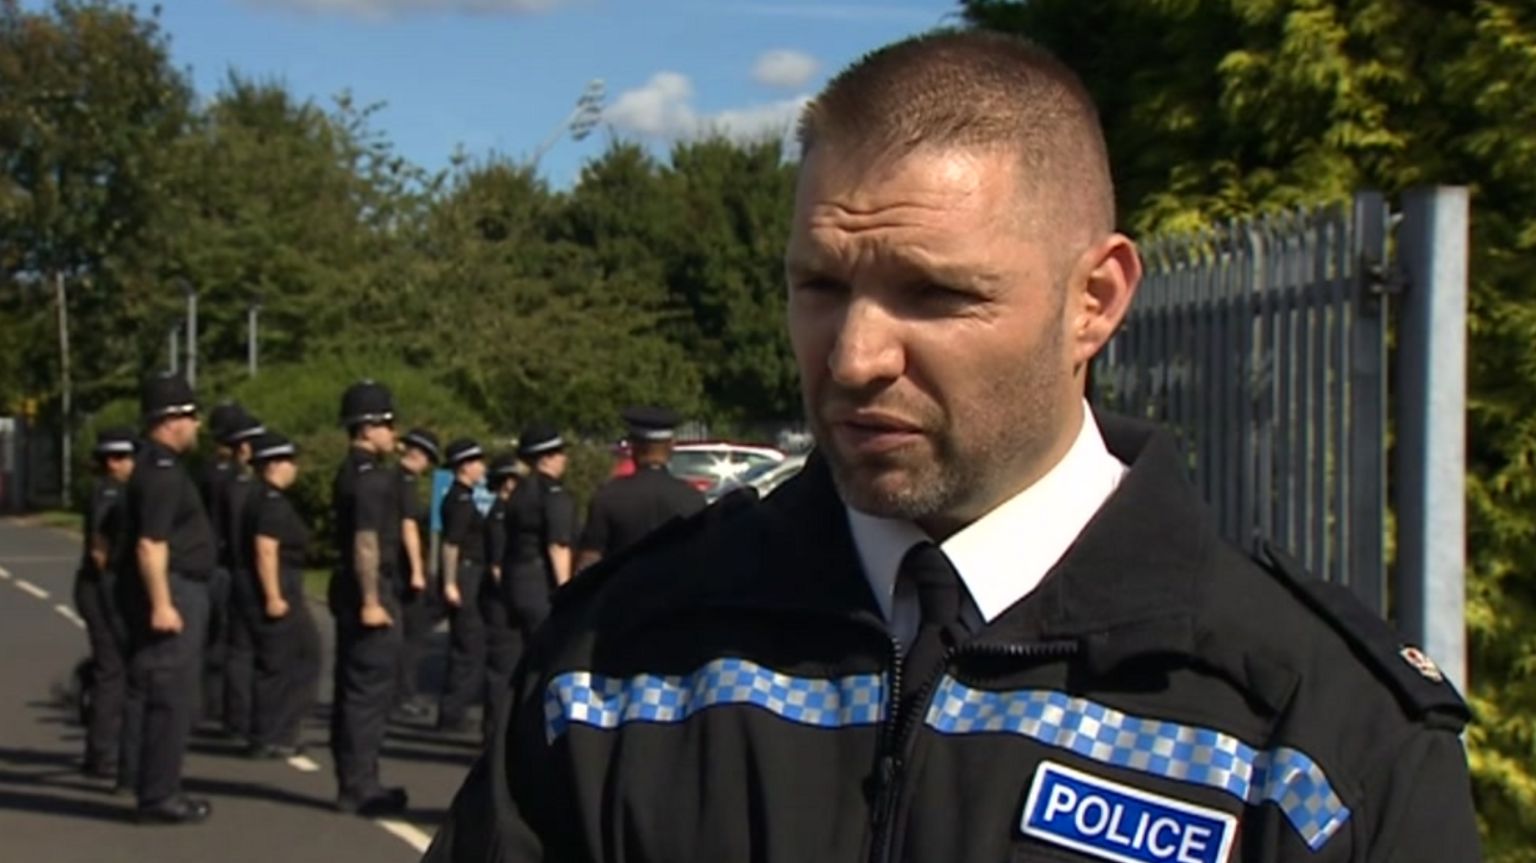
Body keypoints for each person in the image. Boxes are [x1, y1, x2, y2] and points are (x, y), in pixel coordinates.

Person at [425, 31, 1480, 863]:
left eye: (936, 293)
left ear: (1095, 300)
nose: (852, 357)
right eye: (820, 285)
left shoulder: (1303, 731)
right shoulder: (624, 661)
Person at [118, 374, 215, 825]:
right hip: (174, 589)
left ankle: (147, 782)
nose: (196, 425)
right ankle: (159, 794)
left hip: (178, 586)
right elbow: (150, 545)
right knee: (169, 696)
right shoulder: (161, 473)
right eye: (191, 416)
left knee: (157, 690)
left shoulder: (156, 468)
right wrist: (162, 603)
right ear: (171, 420)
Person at [328, 380, 408, 815]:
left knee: (355, 690)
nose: (394, 433)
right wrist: (372, 599)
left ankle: (355, 779)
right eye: (389, 424)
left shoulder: (350, 472)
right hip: (370, 591)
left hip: (351, 588)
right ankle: (361, 785)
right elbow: (366, 542)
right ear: (369, 427)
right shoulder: (371, 481)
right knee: (368, 693)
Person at [242, 431, 321, 759]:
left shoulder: (262, 497)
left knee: (302, 654)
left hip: (284, 582)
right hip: (279, 584)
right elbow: (266, 550)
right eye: (289, 461)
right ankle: (269, 734)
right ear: (273, 464)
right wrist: (273, 595)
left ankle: (279, 729)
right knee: (280, 662)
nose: (294, 468)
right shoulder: (270, 502)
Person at [73, 426, 135, 781]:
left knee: (111, 666)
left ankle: (101, 745)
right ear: (111, 461)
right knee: (113, 670)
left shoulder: (114, 490)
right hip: (102, 588)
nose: (131, 464)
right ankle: (103, 754)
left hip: (101, 587)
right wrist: (113, 576)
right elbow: (99, 547)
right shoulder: (109, 493)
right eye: (125, 457)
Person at [201, 402, 265, 739]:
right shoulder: (233, 480)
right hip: (227, 566)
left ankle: (216, 705)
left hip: (215, 563)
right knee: (236, 645)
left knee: (219, 641)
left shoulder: (208, 471)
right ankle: (234, 714)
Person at [575, 406, 705, 572]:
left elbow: (589, 563)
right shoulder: (692, 498)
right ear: (671, 446)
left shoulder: (608, 497)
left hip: (624, 593)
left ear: (633, 447)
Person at [498, 424, 576, 651]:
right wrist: (566, 592)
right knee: (548, 656)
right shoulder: (552, 493)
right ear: (545, 459)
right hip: (542, 581)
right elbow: (558, 544)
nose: (564, 459)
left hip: (516, 580)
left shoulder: (518, 492)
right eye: (559, 453)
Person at [436, 438, 489, 734]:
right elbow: (451, 544)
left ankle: (455, 709)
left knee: (468, 645)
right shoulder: (461, 501)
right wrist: (450, 582)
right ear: (465, 466)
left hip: (470, 572)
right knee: (467, 645)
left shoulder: (463, 497)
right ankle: (452, 712)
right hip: (466, 573)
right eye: (477, 462)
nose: (482, 467)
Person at [394, 427, 441, 721]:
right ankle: (404, 694)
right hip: (403, 567)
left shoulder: (388, 478)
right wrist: (416, 570)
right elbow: (407, 527)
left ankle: (399, 692)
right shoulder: (406, 484)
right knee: (412, 636)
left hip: (393, 566)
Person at [481, 454, 520, 744]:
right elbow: (497, 565)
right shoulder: (500, 516)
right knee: (501, 668)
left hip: (506, 597)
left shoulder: (508, 513)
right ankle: (494, 732)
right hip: (501, 601)